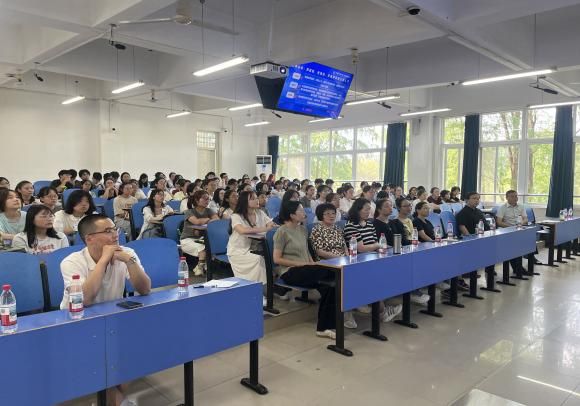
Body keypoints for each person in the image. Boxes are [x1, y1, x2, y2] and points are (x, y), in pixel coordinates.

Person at [60, 213, 150, 406]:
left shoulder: (126, 252)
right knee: (101, 362)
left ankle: (111, 399)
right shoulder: (71, 262)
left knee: (135, 352)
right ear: (89, 238)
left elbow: (144, 289)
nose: (115, 234)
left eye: (115, 229)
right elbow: (85, 300)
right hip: (76, 322)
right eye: (108, 231)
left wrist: (129, 261)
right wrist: (103, 260)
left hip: (112, 318)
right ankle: (119, 402)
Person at [273, 201, 337, 339]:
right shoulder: (282, 231)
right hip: (290, 271)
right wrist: (300, 264)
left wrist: (313, 264)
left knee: (331, 285)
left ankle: (323, 328)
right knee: (332, 273)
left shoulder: (302, 229)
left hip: (306, 269)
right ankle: (325, 326)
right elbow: (277, 259)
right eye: (301, 211)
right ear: (292, 215)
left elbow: (306, 253)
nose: (304, 213)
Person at [227, 191, 277, 302]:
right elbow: (242, 230)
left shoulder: (260, 213)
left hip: (256, 249)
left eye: (256, 198)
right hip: (238, 251)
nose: (257, 200)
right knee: (259, 260)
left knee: (268, 258)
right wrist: (265, 228)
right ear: (245, 201)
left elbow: (270, 223)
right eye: (253, 198)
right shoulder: (236, 216)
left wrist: (269, 226)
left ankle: (268, 290)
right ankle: (259, 293)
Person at [455, 192, 495, 288]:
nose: (477, 200)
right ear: (467, 200)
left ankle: (489, 273)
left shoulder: (478, 211)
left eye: (478, 198)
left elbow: (485, 226)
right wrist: (471, 240)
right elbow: (462, 227)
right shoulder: (462, 213)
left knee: (493, 249)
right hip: (471, 240)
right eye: (474, 198)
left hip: (482, 237)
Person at [181, 190, 218, 276]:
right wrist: (209, 219)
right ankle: (201, 267)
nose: (207, 201)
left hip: (201, 238)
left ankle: (200, 267)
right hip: (187, 239)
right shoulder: (189, 212)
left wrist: (205, 221)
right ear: (197, 200)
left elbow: (217, 220)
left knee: (211, 247)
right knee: (203, 248)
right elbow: (196, 222)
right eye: (204, 198)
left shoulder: (209, 211)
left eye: (208, 199)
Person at [496, 190, 529, 275]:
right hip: (507, 231)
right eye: (512, 196)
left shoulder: (521, 206)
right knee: (514, 245)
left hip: (519, 229)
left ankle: (530, 258)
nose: (515, 198)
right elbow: (499, 222)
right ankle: (517, 268)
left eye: (516, 196)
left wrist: (521, 223)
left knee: (530, 237)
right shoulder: (502, 208)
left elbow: (525, 219)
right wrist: (511, 227)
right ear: (507, 198)